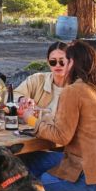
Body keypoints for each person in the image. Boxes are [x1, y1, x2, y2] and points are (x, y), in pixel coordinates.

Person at [32, 40, 96, 191]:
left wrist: (31, 120)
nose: (60, 64)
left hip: (92, 178)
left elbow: (61, 137)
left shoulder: (73, 91)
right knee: (35, 160)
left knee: (28, 188)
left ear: (72, 63)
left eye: (64, 61)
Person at [14, 42, 72, 176]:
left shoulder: (76, 89)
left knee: (18, 164)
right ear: (47, 62)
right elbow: (11, 96)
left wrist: (35, 118)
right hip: (39, 140)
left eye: (62, 62)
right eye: (53, 62)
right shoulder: (37, 79)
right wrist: (22, 99)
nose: (57, 65)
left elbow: (63, 131)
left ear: (71, 62)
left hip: (67, 152)